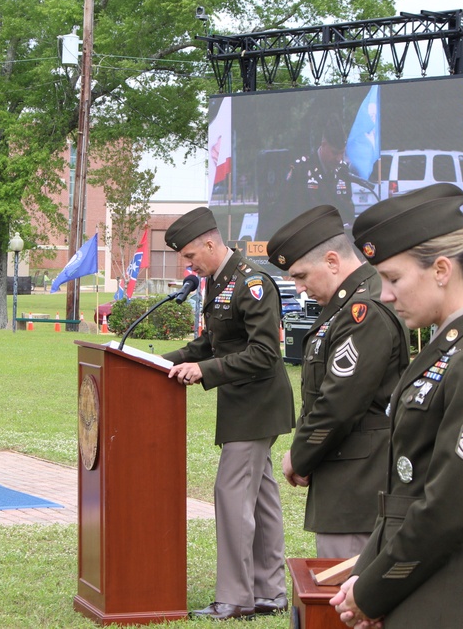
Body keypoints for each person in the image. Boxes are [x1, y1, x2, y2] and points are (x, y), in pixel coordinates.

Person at [331, 183, 463, 629]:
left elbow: (447, 509)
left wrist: (373, 590)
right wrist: (366, 571)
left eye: (394, 278)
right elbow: (406, 495)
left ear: (441, 270)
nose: (384, 294)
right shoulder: (447, 349)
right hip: (424, 587)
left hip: (455, 598)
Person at [161, 207, 295, 621]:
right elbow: (212, 344)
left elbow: (263, 353)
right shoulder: (219, 282)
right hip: (243, 404)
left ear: (209, 242)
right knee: (261, 499)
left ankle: (236, 597)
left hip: (256, 404)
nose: (188, 264)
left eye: (189, 256)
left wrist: (203, 371)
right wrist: (155, 362)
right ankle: (271, 591)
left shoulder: (252, 282)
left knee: (232, 494)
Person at [266, 205, 409, 559]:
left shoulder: (364, 311)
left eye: (301, 276)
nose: (299, 288)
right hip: (345, 476)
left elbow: (338, 404)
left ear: (332, 261)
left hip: (359, 484)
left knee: (345, 598)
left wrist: (299, 457)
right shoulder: (345, 308)